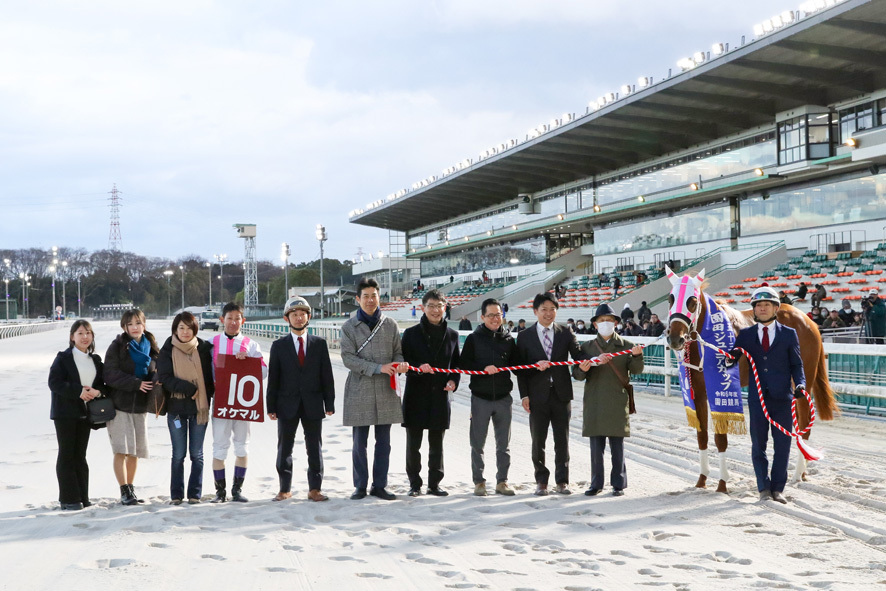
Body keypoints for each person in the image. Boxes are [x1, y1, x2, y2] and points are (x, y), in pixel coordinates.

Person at [727, 287, 805, 504]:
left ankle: (778, 488)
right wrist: (729, 359)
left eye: (766, 305)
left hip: (783, 399)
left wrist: (800, 384)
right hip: (757, 399)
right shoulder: (746, 335)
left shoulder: (789, 334)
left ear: (775, 308)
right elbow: (735, 355)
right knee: (758, 445)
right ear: (754, 309)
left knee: (782, 446)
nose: (762, 308)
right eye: (758, 306)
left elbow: (797, 365)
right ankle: (763, 487)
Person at [341, 277, 408, 500]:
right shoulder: (349, 327)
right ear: (358, 299)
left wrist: (399, 364)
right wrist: (379, 367)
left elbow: (398, 352)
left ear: (380, 297)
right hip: (360, 388)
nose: (370, 300)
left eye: (374, 296)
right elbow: (348, 359)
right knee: (359, 442)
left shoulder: (390, 324)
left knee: (384, 442)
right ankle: (360, 485)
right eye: (366, 296)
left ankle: (379, 485)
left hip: (385, 389)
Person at [267, 297, 335, 502]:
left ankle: (315, 488)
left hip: (313, 403)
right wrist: (270, 406)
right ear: (286, 318)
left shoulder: (319, 344)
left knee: (314, 447)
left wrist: (329, 403)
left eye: (302, 314)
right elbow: (274, 378)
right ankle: (284, 488)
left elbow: (327, 376)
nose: (298, 318)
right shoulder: (278, 346)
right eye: (294, 314)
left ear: (309, 316)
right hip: (286, 404)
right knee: (284, 447)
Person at [516, 293, 584, 496]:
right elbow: (520, 370)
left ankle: (562, 481)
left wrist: (592, 359)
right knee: (538, 440)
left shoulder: (565, 332)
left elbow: (578, 355)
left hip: (561, 394)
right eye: (544, 309)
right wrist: (524, 395)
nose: (548, 313)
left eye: (552, 309)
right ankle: (541, 481)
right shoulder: (524, 336)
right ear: (535, 311)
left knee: (562, 440)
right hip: (537, 396)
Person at [572, 304, 643, 496]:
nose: (606, 324)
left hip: (617, 401)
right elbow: (577, 375)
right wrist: (584, 369)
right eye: (602, 320)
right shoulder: (586, 347)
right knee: (596, 448)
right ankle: (596, 484)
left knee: (617, 446)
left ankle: (618, 484)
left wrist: (637, 357)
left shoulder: (627, 346)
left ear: (616, 323)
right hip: (594, 400)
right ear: (595, 324)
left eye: (609, 320)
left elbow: (636, 371)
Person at [401, 290, 460, 497]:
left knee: (437, 444)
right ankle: (414, 484)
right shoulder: (410, 334)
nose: (436, 310)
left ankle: (434, 484)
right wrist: (418, 366)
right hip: (416, 395)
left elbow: (456, 365)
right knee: (413, 444)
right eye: (431, 306)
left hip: (440, 396)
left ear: (445, 307)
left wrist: (453, 381)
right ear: (423, 308)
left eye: (440, 306)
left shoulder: (452, 335)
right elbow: (404, 363)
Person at [460, 298, 521, 496]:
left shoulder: (509, 340)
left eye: (498, 315)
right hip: (480, 398)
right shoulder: (473, 339)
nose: (495, 319)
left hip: (504, 398)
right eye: (491, 315)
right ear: (482, 317)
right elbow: (464, 365)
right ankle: (479, 482)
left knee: (503, 444)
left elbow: (519, 366)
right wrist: (482, 369)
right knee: (477, 443)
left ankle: (502, 481)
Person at [209, 302, 268, 503]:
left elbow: (263, 372)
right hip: (221, 403)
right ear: (222, 320)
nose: (233, 322)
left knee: (242, 447)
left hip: (243, 405)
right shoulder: (211, 343)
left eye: (237, 318)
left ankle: (237, 489)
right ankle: (220, 492)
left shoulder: (251, 345)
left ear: (243, 320)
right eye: (229, 318)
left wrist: (247, 363)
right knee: (219, 447)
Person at [48, 320, 108, 510]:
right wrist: (78, 391)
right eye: (80, 333)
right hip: (65, 413)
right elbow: (54, 383)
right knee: (66, 454)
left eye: (88, 333)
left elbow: (104, 384)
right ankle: (68, 499)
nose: (85, 337)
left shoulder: (96, 360)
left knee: (80, 456)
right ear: (72, 337)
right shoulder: (63, 358)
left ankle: (83, 497)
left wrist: (97, 392)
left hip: (85, 414)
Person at [157, 312, 214, 505]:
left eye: (189, 328)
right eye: (181, 328)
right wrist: (189, 388)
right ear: (175, 329)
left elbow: (212, 377)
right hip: (176, 410)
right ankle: (176, 495)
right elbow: (164, 378)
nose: (185, 332)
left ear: (195, 329)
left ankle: (194, 494)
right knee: (178, 454)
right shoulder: (167, 349)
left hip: (199, 409)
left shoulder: (205, 348)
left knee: (197, 454)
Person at [103, 309, 159, 506]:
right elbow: (109, 374)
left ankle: (131, 488)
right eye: (130, 324)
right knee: (121, 449)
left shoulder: (151, 346)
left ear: (144, 324)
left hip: (141, 407)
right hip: (119, 405)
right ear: (124, 327)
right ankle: (124, 490)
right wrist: (136, 383)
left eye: (138, 323)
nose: (135, 327)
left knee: (135, 451)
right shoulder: (117, 346)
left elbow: (157, 370)